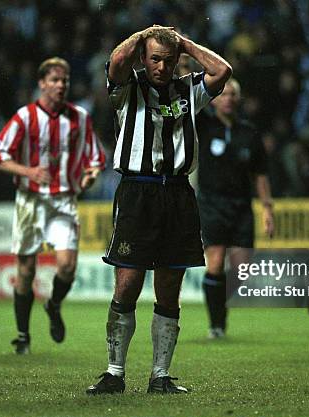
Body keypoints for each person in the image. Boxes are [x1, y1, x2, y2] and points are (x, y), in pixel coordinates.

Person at [86, 26, 232, 395]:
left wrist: (185, 44)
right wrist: (146, 34)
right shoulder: (126, 87)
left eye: (168, 60)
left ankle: (160, 376)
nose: (162, 67)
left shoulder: (188, 90)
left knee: (169, 288)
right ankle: (114, 372)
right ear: (143, 58)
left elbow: (222, 72)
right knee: (129, 283)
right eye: (154, 59)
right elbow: (117, 60)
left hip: (178, 195)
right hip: (138, 192)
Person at [0, 57, 105, 354]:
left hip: (64, 200)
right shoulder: (25, 117)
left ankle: (53, 305)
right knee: (26, 271)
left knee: (67, 266)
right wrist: (28, 171)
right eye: (54, 80)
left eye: (64, 80)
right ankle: (23, 335)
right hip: (30, 201)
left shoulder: (79, 117)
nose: (61, 85)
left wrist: (90, 176)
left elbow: (95, 159)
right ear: (41, 83)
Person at [196, 78, 275, 339]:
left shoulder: (249, 132)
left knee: (242, 268)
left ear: (238, 100)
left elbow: (260, 174)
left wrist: (267, 210)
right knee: (216, 263)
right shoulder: (204, 125)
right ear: (215, 99)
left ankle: (218, 299)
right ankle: (216, 324)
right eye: (224, 94)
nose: (228, 98)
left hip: (241, 206)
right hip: (211, 204)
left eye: (233, 94)